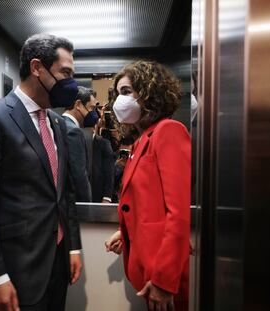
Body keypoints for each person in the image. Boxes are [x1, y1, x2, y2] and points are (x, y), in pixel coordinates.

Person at [0, 34, 83, 311]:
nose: (71, 83)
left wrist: (73, 246)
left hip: (58, 260)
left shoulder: (56, 122)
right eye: (65, 72)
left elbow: (64, 192)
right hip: (17, 267)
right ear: (37, 68)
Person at [105, 60, 191, 311]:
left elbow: (177, 212)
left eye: (126, 92)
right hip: (147, 266)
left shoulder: (169, 131)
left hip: (163, 272)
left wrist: (165, 280)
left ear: (149, 93)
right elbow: (147, 202)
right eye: (118, 94)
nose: (119, 101)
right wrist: (126, 231)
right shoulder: (142, 140)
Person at [62, 86, 99, 202]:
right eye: (91, 108)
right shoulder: (73, 131)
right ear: (78, 105)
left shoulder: (57, 123)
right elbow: (79, 176)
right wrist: (88, 206)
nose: (94, 114)